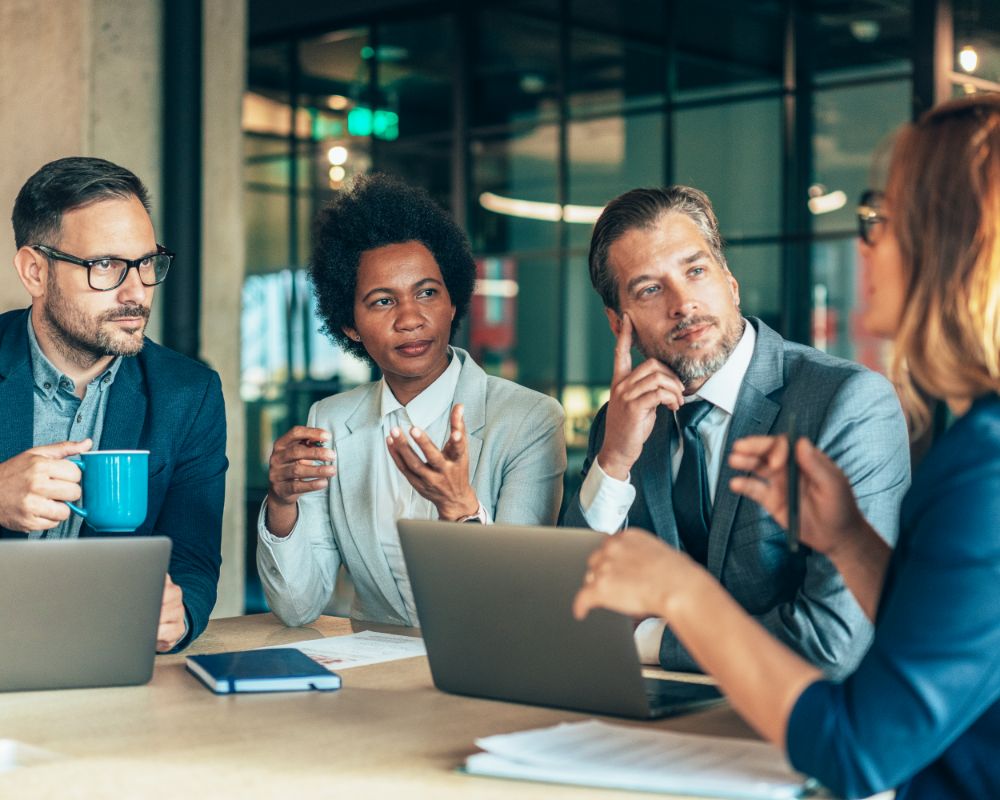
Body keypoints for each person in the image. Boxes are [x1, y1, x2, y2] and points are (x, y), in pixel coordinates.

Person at [574, 94, 1000, 799]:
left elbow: (860, 747)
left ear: (945, 245)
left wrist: (680, 597)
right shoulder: (976, 445)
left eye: (881, 222)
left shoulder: (982, 471)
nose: (864, 244)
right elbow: (944, 643)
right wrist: (850, 543)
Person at [561, 184, 910, 676]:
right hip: (649, 721)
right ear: (619, 321)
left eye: (696, 271)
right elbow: (569, 606)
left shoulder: (847, 403)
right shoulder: (621, 422)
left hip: (798, 730)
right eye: (650, 289)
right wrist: (614, 461)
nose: (683, 303)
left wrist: (649, 638)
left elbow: (832, 642)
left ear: (730, 282)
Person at [257, 173, 566, 628]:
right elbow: (297, 607)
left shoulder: (528, 420)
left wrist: (461, 508)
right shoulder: (330, 419)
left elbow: (514, 605)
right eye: (383, 301)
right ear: (350, 325)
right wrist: (282, 503)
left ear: (453, 301)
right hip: (378, 681)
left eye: (427, 293)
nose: (410, 319)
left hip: (489, 675)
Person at [1, 156, 227, 652]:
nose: (136, 291)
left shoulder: (189, 395)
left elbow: (192, 556)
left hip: (106, 662)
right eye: (104, 265)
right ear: (35, 271)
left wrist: (179, 613)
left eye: (146, 263)